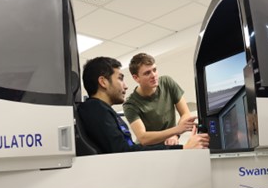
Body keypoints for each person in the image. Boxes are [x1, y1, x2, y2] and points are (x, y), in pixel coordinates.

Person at [78, 57, 209, 154]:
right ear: (103, 82)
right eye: (120, 78)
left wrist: (177, 142)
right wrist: (182, 148)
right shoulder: (96, 109)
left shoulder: (102, 111)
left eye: (154, 70)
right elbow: (126, 151)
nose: (126, 86)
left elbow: (125, 150)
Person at [123, 53, 196, 146]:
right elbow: (143, 138)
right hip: (148, 152)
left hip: (171, 145)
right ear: (136, 78)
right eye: (147, 73)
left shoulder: (167, 82)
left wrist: (175, 135)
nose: (153, 75)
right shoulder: (130, 105)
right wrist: (175, 130)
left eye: (154, 70)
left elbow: (185, 113)